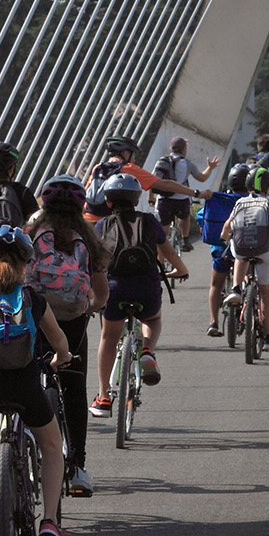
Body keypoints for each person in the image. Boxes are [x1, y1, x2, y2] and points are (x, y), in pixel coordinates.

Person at [0, 227, 74, 536]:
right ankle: (50, 523)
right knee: (53, 448)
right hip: (24, 383)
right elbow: (59, 342)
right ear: (27, 264)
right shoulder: (32, 299)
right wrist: (61, 358)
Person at [28, 176, 102, 496]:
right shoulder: (87, 238)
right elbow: (101, 293)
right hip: (72, 321)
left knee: (26, 382)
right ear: (81, 206)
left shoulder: (29, 233)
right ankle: (78, 467)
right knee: (74, 390)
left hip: (33, 316)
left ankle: (23, 451)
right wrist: (91, 306)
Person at [89, 170, 180, 401]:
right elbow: (167, 250)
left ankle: (103, 395)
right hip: (146, 287)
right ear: (137, 199)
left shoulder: (102, 225)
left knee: (109, 339)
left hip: (115, 288)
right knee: (153, 319)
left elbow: (94, 260)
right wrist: (181, 269)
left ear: (108, 201)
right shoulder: (149, 221)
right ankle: (147, 349)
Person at [222, 165, 269, 349]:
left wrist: (223, 236)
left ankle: (236, 289)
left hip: (242, 247)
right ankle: (268, 337)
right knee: (266, 290)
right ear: (268, 186)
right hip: (265, 249)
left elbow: (228, 225)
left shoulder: (240, 202)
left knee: (239, 256)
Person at [197, 164, 244, 333]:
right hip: (246, 248)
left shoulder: (220, 199)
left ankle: (213, 323)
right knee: (253, 278)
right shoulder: (252, 201)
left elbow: (200, 215)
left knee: (216, 285)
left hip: (221, 250)